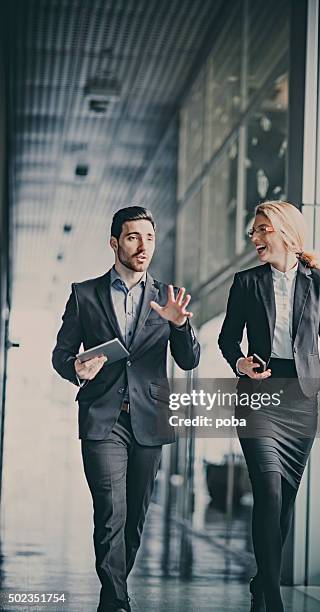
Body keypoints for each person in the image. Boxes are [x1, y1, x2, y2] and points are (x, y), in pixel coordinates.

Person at [52, 206, 200, 612]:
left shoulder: (167, 297)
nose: (143, 246)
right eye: (133, 237)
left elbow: (189, 361)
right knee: (110, 511)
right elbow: (61, 354)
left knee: (135, 517)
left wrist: (180, 326)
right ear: (115, 242)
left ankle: (116, 587)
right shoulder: (85, 294)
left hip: (149, 419)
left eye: (149, 238)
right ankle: (115, 599)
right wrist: (75, 367)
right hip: (103, 419)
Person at [218, 200, 320, 612]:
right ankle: (273, 594)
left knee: (285, 498)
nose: (255, 238)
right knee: (269, 491)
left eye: (262, 230)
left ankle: (263, 579)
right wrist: (239, 361)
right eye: (253, 232)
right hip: (258, 396)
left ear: (285, 233)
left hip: (301, 401)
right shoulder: (246, 283)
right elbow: (228, 339)